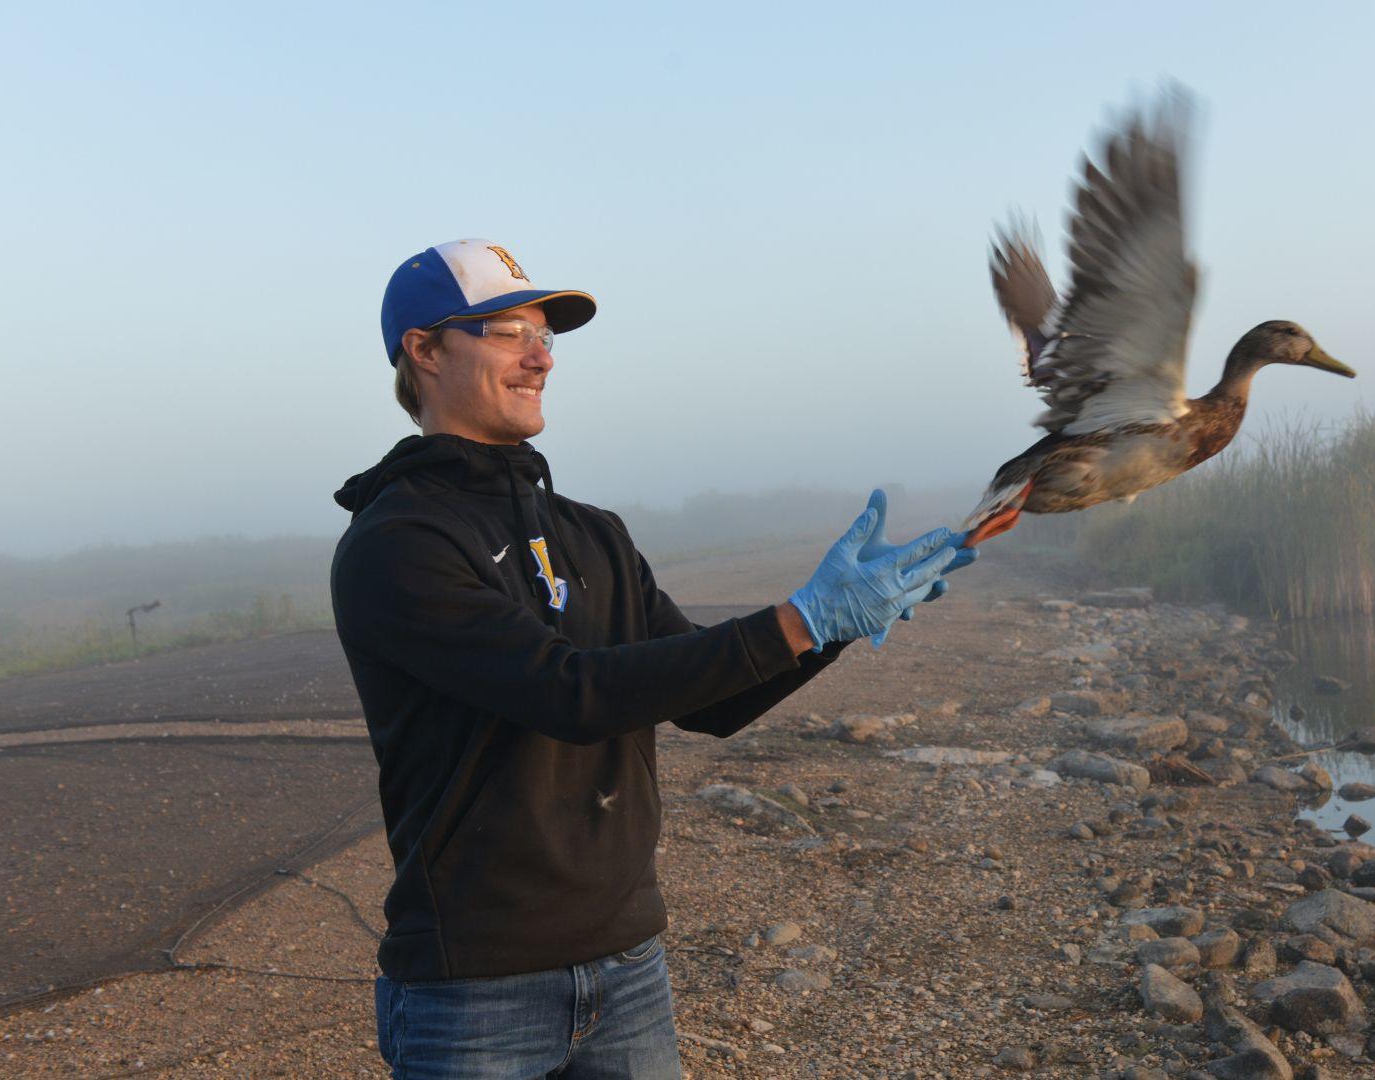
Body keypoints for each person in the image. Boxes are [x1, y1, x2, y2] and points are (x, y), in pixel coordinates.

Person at [330, 239, 972, 1079]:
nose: (540, 358)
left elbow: (711, 702)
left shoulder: (593, 535)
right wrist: (798, 618)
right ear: (423, 349)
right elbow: (571, 695)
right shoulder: (397, 542)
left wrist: (836, 626)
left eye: (546, 337)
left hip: (628, 970)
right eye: (508, 331)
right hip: (474, 996)